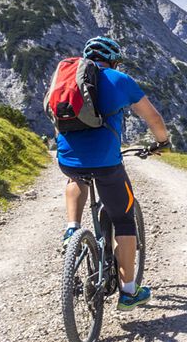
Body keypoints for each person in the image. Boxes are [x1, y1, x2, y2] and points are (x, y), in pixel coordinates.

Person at [56, 36, 170, 311]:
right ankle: (129, 292)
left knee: (77, 178)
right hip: (106, 163)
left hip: (68, 159)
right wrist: (162, 142)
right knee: (124, 218)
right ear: (114, 60)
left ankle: (72, 229)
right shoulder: (120, 80)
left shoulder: (66, 77)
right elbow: (152, 118)